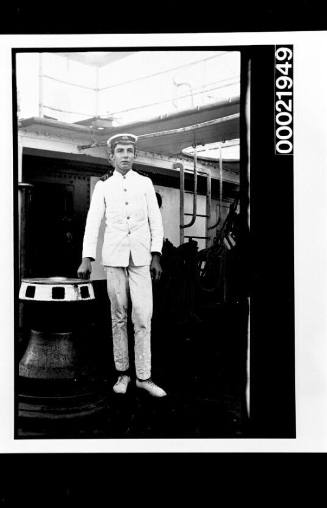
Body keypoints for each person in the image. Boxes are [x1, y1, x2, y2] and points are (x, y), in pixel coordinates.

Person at [77, 133, 167, 397]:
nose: (125, 155)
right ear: (111, 156)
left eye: (129, 150)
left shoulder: (146, 183)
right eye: (120, 151)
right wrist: (87, 258)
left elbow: (156, 222)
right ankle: (123, 374)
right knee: (118, 317)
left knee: (143, 316)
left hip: (141, 259)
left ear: (134, 155)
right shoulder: (103, 187)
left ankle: (144, 377)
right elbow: (93, 222)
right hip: (114, 258)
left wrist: (156, 255)